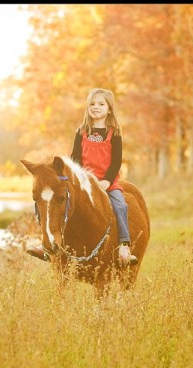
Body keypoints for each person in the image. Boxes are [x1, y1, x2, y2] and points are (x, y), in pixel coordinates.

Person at [27, 88, 138, 266]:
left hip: (105, 182)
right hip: (83, 182)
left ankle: (124, 245)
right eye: (92, 104)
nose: (96, 107)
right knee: (52, 204)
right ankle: (46, 243)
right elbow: (76, 158)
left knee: (120, 205)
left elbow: (117, 160)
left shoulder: (114, 132)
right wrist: (78, 177)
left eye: (101, 104)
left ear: (109, 109)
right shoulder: (82, 131)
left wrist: (107, 181)